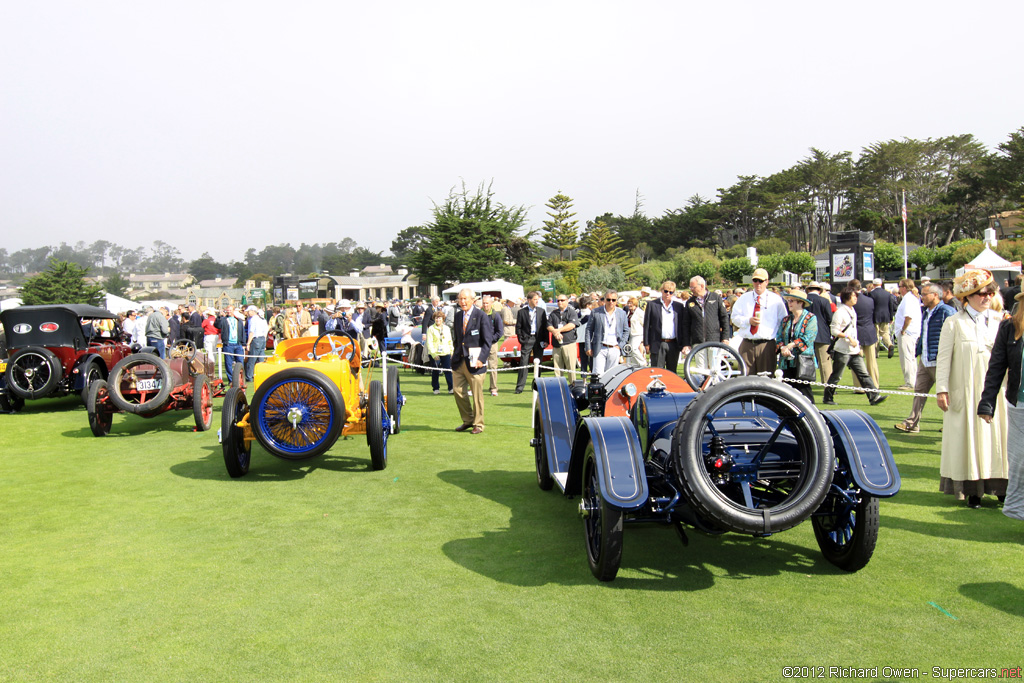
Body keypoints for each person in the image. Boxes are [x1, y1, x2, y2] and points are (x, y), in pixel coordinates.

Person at [936, 270, 1009, 508]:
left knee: (999, 437)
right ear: (968, 296)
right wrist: (942, 389)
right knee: (968, 439)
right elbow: (943, 359)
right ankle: (973, 490)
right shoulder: (953, 323)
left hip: (998, 391)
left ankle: (1001, 487)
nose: (987, 297)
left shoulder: (1001, 321)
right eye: (981, 293)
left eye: (991, 292)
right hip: (966, 390)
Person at [978, 290, 1024, 520]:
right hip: (1019, 404)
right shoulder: (1009, 328)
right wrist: (987, 403)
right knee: (1019, 461)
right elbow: (996, 367)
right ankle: (1018, 509)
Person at [894, 283, 955, 434]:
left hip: (939, 361)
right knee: (919, 392)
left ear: (935, 295)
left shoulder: (946, 311)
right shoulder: (927, 312)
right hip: (925, 359)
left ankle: (952, 424)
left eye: (925, 294)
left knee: (947, 394)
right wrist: (919, 350)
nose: (922, 296)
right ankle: (912, 423)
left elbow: (954, 335)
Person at [823, 287, 886, 406]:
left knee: (863, 374)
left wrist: (854, 341)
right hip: (842, 350)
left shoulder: (852, 310)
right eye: (853, 296)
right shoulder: (840, 312)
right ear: (847, 297)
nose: (856, 298)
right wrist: (849, 338)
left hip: (854, 350)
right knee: (836, 375)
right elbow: (834, 330)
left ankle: (874, 396)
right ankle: (828, 397)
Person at [731, 268, 787, 375]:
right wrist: (748, 321)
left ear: (767, 282)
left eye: (761, 281)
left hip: (766, 345)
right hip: (747, 344)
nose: (758, 284)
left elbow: (783, 322)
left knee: (765, 381)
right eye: (755, 280)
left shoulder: (776, 300)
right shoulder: (744, 298)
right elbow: (734, 318)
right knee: (745, 379)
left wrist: (780, 343)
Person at [451, 288, 493, 433]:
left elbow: (488, 341)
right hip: (459, 361)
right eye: (460, 299)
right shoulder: (457, 316)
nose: (462, 302)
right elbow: (457, 339)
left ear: (473, 300)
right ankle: (468, 420)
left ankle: (478, 424)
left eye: (465, 299)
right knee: (457, 391)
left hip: (476, 363)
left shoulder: (481, 316)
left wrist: (482, 358)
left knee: (477, 395)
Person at [775, 290, 818, 403]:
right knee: (787, 393)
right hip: (786, 361)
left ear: (800, 303)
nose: (789, 303)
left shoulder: (810, 318)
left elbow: (809, 337)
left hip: (803, 361)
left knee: (804, 392)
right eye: (788, 301)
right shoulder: (786, 320)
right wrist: (783, 348)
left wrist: (792, 345)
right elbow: (779, 337)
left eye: (792, 301)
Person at [681, 275, 731, 369]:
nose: (691, 289)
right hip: (698, 342)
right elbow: (686, 324)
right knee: (701, 371)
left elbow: (724, 318)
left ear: (702, 286)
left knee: (714, 370)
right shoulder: (690, 302)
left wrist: (725, 337)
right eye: (690, 287)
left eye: (693, 287)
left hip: (714, 341)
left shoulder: (715, 298)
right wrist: (687, 343)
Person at [643, 280, 685, 373]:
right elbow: (646, 325)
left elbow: (682, 326)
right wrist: (646, 343)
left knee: (672, 372)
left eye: (671, 292)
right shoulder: (652, 304)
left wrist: (684, 343)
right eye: (666, 291)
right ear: (661, 290)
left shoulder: (679, 306)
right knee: (657, 372)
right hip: (657, 343)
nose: (668, 294)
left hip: (673, 344)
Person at [585, 289, 629, 376]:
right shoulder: (596, 312)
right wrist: (588, 347)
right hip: (600, 347)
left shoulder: (622, 313)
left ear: (616, 301)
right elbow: (589, 329)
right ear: (604, 300)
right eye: (608, 299)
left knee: (612, 376)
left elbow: (626, 330)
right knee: (598, 376)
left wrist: (620, 345)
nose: (611, 302)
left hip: (614, 348)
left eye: (613, 300)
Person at [514, 291, 548, 394]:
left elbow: (545, 327)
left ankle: (537, 386)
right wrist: (521, 339)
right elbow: (518, 327)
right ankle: (520, 387)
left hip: (539, 340)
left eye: (538, 299)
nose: (537, 301)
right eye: (535, 299)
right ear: (529, 300)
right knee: (524, 362)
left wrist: (546, 340)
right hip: (527, 339)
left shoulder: (541, 311)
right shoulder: (522, 312)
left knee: (539, 362)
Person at [849, 279, 879, 389]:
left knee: (857, 362)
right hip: (869, 332)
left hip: (856, 334)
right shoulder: (870, 300)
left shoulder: (851, 302)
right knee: (872, 361)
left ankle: (859, 386)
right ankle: (875, 384)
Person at [893, 278, 921, 390]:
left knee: (907, 357)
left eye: (900, 286)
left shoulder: (908, 299)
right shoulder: (911, 298)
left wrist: (903, 329)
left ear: (904, 287)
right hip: (910, 331)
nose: (899, 289)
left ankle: (910, 382)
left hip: (907, 332)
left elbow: (908, 317)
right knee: (910, 357)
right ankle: (912, 380)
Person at [805, 282, 834, 384]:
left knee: (804, 360)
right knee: (825, 362)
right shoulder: (824, 301)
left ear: (808, 290)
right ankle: (828, 386)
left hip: (805, 333)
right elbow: (829, 318)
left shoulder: (803, 301)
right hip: (822, 333)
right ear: (819, 290)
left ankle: (804, 383)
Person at [547, 294, 580, 381]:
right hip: (556, 345)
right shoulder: (553, 313)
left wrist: (558, 330)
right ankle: (559, 387)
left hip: (569, 344)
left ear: (567, 301)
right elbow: (548, 325)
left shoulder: (571, 312)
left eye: (562, 300)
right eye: (558, 300)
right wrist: (555, 332)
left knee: (571, 369)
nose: (560, 302)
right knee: (557, 369)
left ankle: (573, 387)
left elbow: (572, 325)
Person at [425, 310, 454, 395]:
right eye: (436, 318)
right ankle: (436, 388)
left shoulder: (447, 328)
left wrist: (451, 351)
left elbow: (449, 340)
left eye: (440, 318)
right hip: (435, 354)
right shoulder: (431, 329)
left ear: (443, 319)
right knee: (435, 371)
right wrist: (434, 354)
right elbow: (429, 342)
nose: (438, 320)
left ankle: (451, 388)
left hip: (446, 352)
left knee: (448, 371)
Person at [216, 305, 246, 383]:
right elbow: (217, 325)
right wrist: (219, 316)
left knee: (240, 362)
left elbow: (242, 332)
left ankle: (240, 379)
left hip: (238, 344)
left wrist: (244, 343)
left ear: (233, 310)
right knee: (228, 363)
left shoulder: (238, 320)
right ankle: (231, 380)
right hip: (228, 344)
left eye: (230, 310)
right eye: (227, 310)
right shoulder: (224, 319)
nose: (229, 312)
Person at [481, 295, 504, 396]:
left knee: (493, 367)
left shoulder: (496, 315)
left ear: (491, 304)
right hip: (480, 345)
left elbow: (500, 332)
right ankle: (476, 388)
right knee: (478, 367)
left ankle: (493, 388)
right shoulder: (478, 314)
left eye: (487, 303)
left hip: (492, 345)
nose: (485, 305)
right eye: (484, 303)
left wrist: (490, 340)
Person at [868, 279, 897, 358]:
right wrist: (891, 317)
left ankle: (876, 353)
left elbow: (870, 306)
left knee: (876, 334)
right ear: (881, 284)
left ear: (873, 285)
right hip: (885, 316)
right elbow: (890, 305)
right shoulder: (887, 294)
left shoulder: (871, 294)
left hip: (875, 316)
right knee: (885, 333)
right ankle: (889, 344)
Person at [244, 306, 269, 383]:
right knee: (261, 359)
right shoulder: (262, 319)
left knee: (252, 359)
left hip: (256, 339)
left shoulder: (252, 319)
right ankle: (261, 375)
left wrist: (248, 343)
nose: (248, 313)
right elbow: (266, 330)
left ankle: (249, 376)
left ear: (253, 311)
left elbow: (251, 332)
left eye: (249, 311)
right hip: (262, 339)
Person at [625, 296, 645, 366]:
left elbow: (644, 324)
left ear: (635, 304)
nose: (629, 305)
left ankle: (643, 362)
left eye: (631, 303)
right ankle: (635, 365)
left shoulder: (639, 312)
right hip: (631, 334)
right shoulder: (629, 312)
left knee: (634, 348)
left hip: (638, 333)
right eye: (629, 303)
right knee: (630, 350)